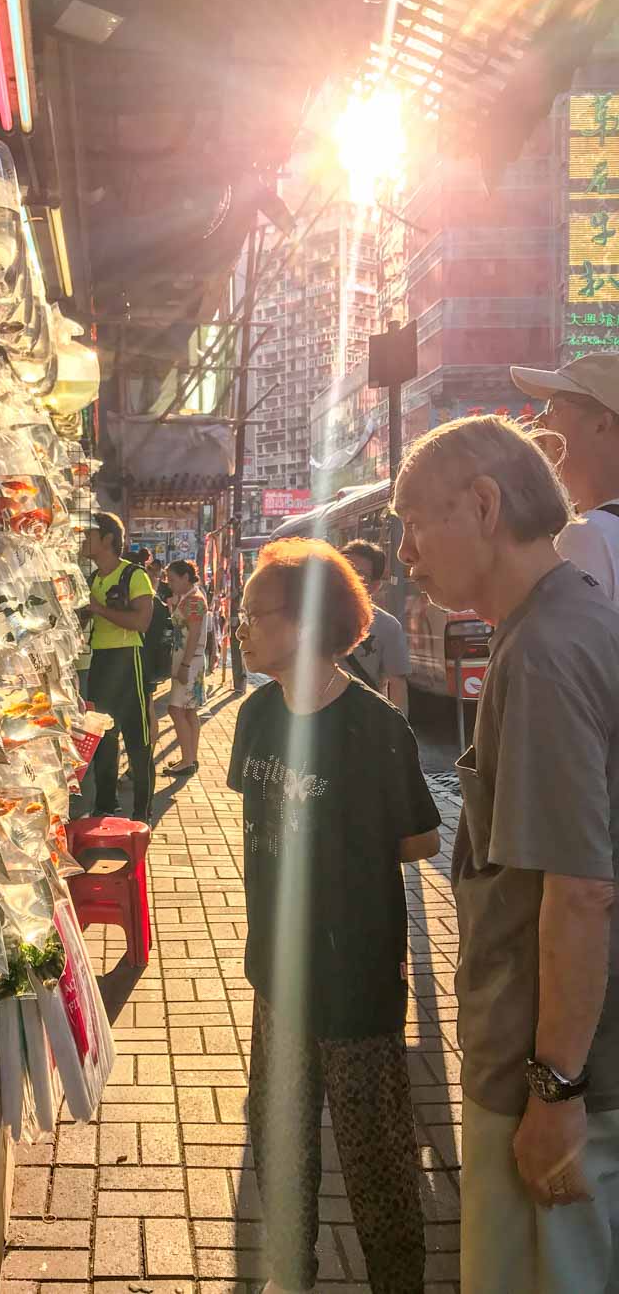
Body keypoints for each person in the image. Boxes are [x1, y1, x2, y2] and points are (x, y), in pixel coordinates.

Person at [393, 414, 619, 1294]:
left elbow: (581, 888)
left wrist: (555, 1090)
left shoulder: (546, 653)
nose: (406, 552)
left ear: (484, 505)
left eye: (417, 520)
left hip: (548, 1072)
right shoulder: (558, 623)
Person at [229, 538, 441, 1294]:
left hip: (357, 987)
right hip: (274, 980)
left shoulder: (376, 728)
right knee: (281, 1157)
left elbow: (419, 837)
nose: (241, 627)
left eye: (255, 613)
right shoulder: (254, 715)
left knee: (379, 1168)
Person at [511, 352, 619, 598]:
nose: (540, 420)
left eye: (555, 408)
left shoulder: (589, 536)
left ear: (600, 425)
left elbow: (564, 636)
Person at [80, 512, 155, 823]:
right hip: (100, 660)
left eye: (89, 535)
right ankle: (105, 805)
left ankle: (142, 812)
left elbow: (141, 622)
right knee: (101, 737)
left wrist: (98, 609)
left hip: (129, 660)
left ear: (108, 539)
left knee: (138, 740)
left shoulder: (134, 575)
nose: (83, 541)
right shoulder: (93, 578)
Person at [340, 539, 411, 716]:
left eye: (359, 575)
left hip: (364, 721)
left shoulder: (387, 626)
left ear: (375, 586)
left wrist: (398, 735)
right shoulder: (310, 618)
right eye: (344, 570)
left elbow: (398, 685)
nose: (349, 579)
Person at [164, 559, 208, 776]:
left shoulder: (194, 600)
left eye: (172, 579)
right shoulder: (190, 598)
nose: (169, 583)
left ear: (185, 577)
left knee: (176, 710)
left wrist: (185, 664)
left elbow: (194, 634)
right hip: (191, 661)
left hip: (189, 662)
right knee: (189, 711)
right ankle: (190, 758)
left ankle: (188, 760)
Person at [140, 559, 175, 758]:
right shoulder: (159, 605)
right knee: (148, 709)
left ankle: (145, 758)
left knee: (146, 711)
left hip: (144, 663)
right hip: (151, 664)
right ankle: (147, 756)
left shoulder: (150, 605)